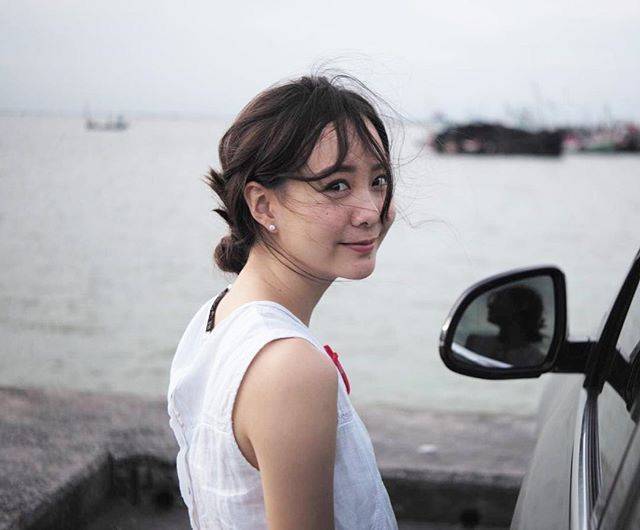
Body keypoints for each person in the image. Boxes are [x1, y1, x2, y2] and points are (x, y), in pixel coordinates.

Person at [167, 73, 398, 529]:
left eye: (378, 180)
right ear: (263, 205)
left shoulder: (215, 318)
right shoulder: (290, 367)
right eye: (336, 185)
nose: (370, 211)